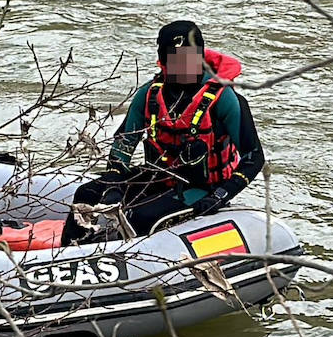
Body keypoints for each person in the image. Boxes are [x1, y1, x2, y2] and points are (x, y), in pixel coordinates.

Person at [60, 20, 265, 246]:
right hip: (159, 177)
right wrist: (114, 184)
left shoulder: (224, 99)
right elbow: (122, 146)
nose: (186, 66)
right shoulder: (148, 95)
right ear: (163, 61)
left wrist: (221, 195)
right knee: (86, 193)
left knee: (141, 216)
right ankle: (66, 254)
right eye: (177, 60)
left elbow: (254, 157)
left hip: (202, 189)